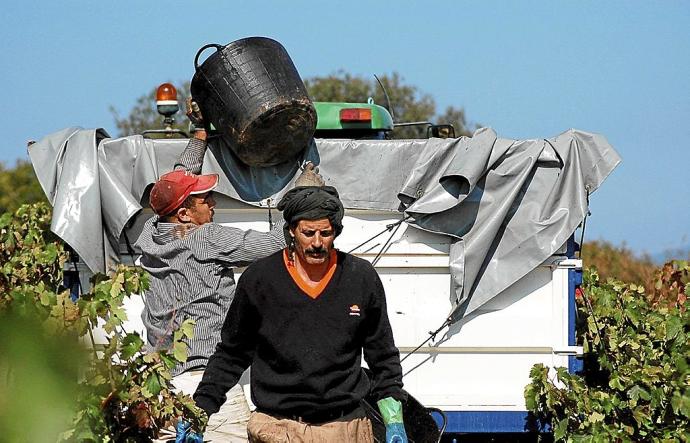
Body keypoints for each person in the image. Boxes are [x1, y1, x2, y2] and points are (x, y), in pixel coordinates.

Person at [137, 100, 323, 442]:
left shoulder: (150, 234)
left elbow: (178, 178)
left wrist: (200, 133)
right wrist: (304, 194)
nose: (213, 203)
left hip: (162, 385)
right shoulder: (205, 238)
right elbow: (273, 244)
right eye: (204, 200)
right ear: (184, 215)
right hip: (208, 382)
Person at [185, 185, 408, 443]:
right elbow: (231, 354)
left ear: (336, 232)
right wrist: (199, 413)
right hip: (278, 429)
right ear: (291, 231)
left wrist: (394, 422)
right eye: (308, 233)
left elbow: (383, 357)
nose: (316, 243)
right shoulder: (260, 280)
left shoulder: (360, 277)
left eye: (325, 233)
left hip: (345, 429)